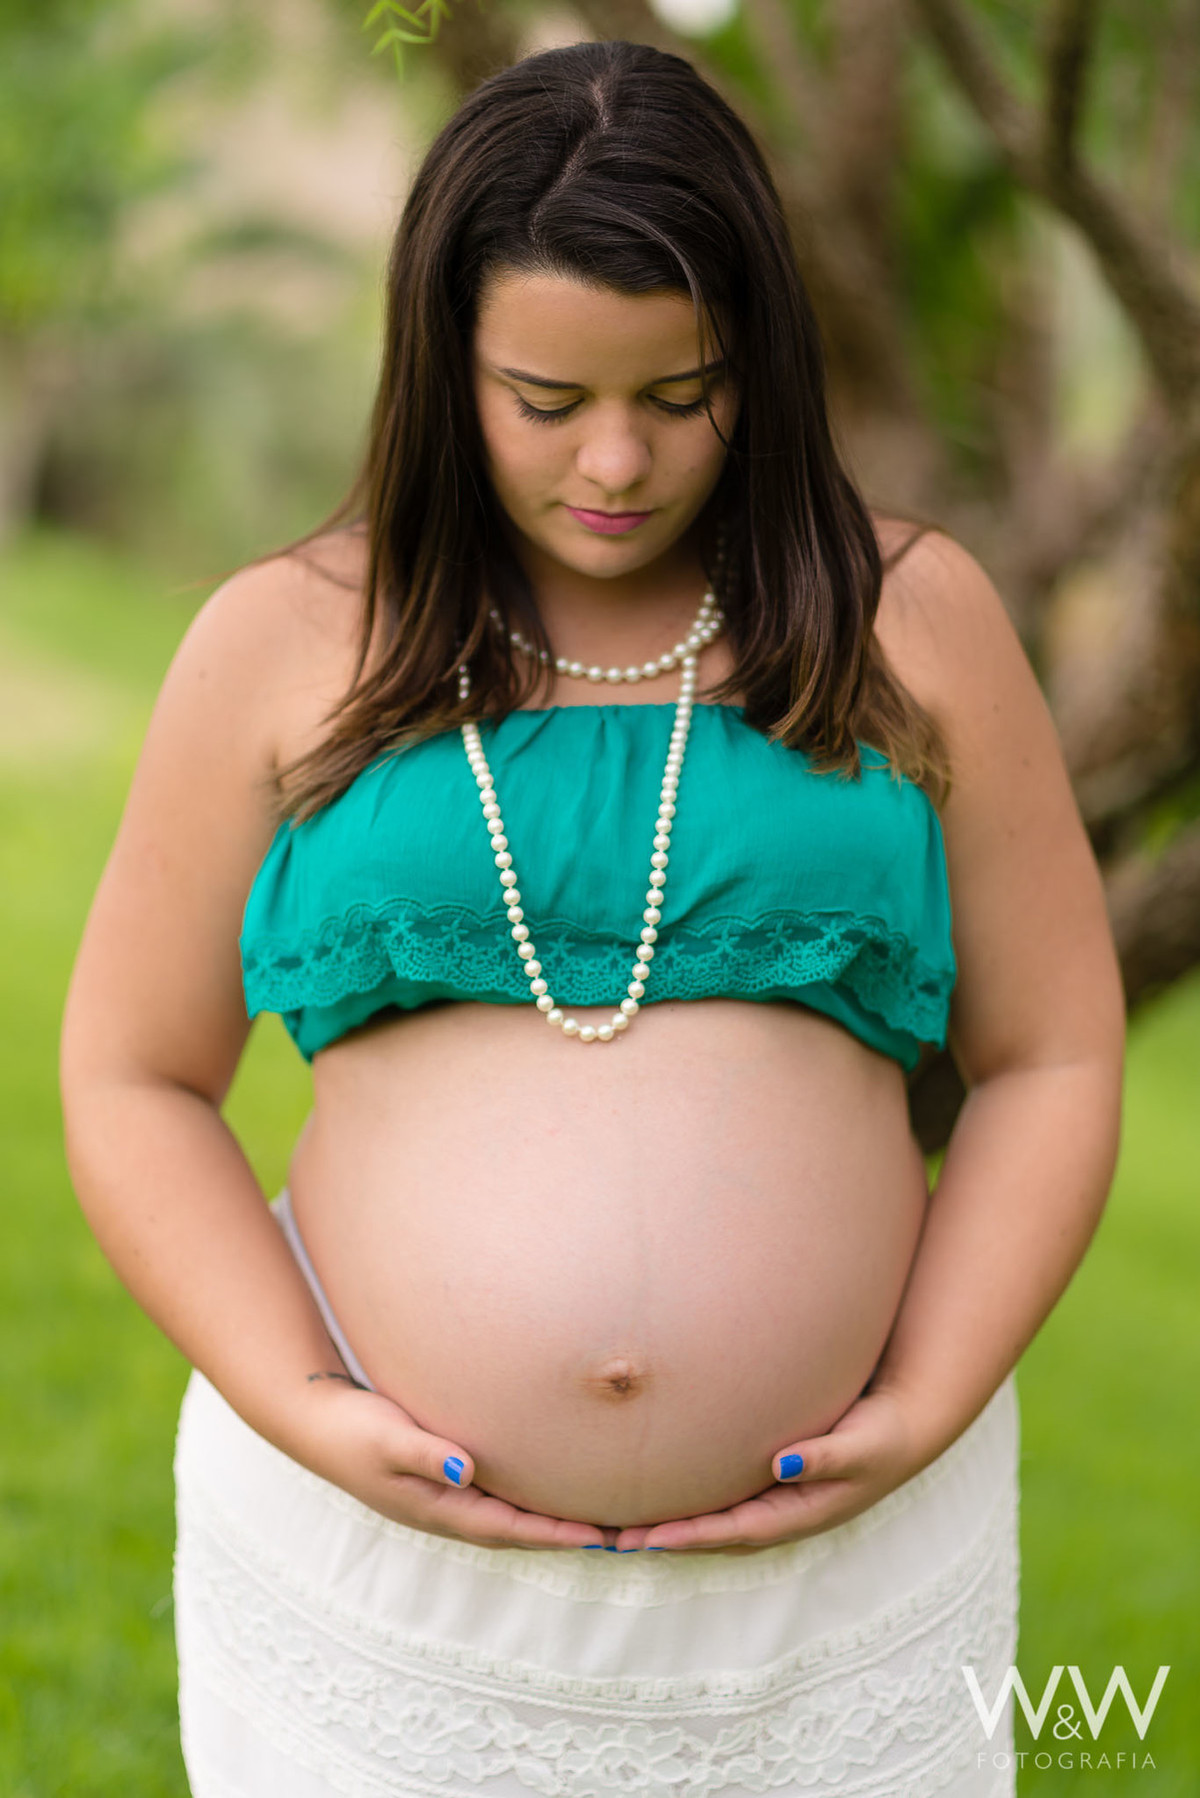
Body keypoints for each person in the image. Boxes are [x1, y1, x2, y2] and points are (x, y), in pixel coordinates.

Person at [59, 37, 1125, 1798]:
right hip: (388, 1592)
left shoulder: (913, 622)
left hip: (838, 1589)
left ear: (761, 364)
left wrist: (927, 1400)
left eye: (682, 391)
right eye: (545, 401)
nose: (616, 460)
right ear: (439, 363)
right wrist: (293, 1396)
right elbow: (129, 1075)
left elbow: (1057, 1048)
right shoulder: (282, 642)